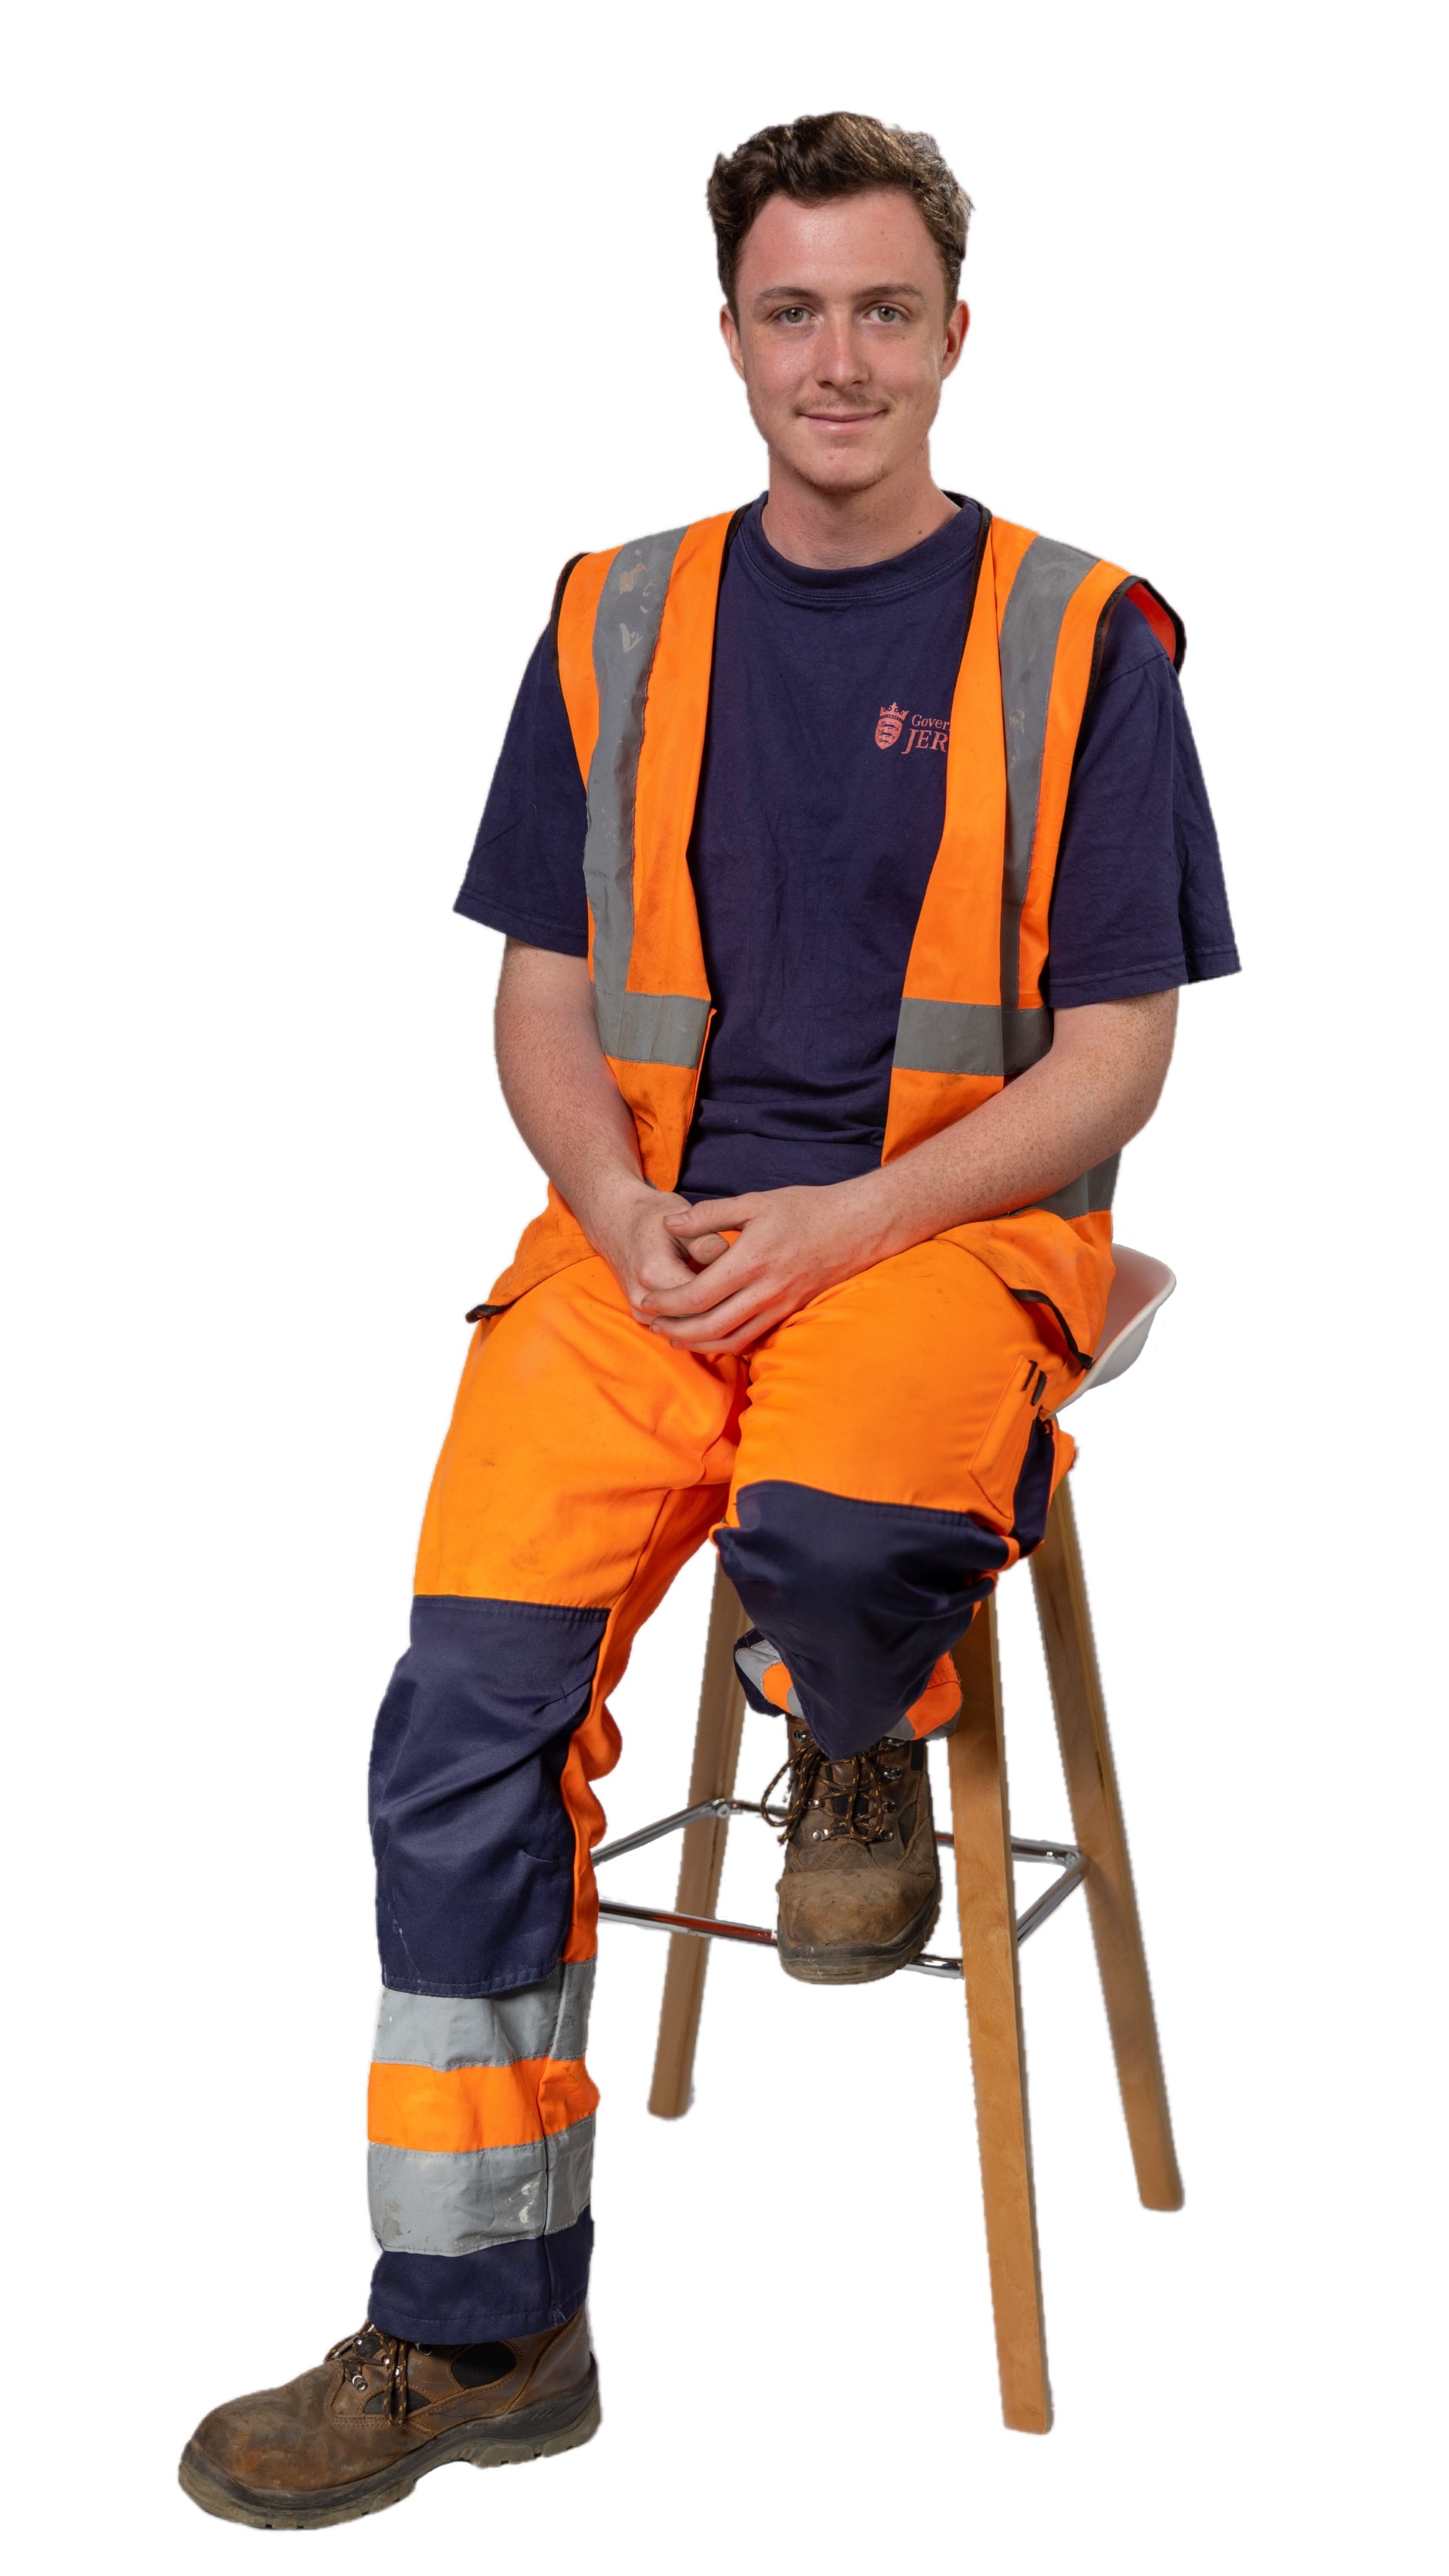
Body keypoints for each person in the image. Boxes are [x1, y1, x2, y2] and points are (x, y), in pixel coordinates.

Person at [180, 110, 1238, 2527]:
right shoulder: (612, 613)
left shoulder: (1084, 635)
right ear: (732, 335)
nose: (838, 357)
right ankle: (483, 2322)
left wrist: (851, 1219)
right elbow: (546, 998)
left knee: (845, 1522)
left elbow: (1116, 1053)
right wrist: (613, 1192)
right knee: (458, 1710)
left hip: (941, 1221)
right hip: (644, 1238)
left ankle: (843, 1719)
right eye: (794, 311)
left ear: (957, 335)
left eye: (885, 310)